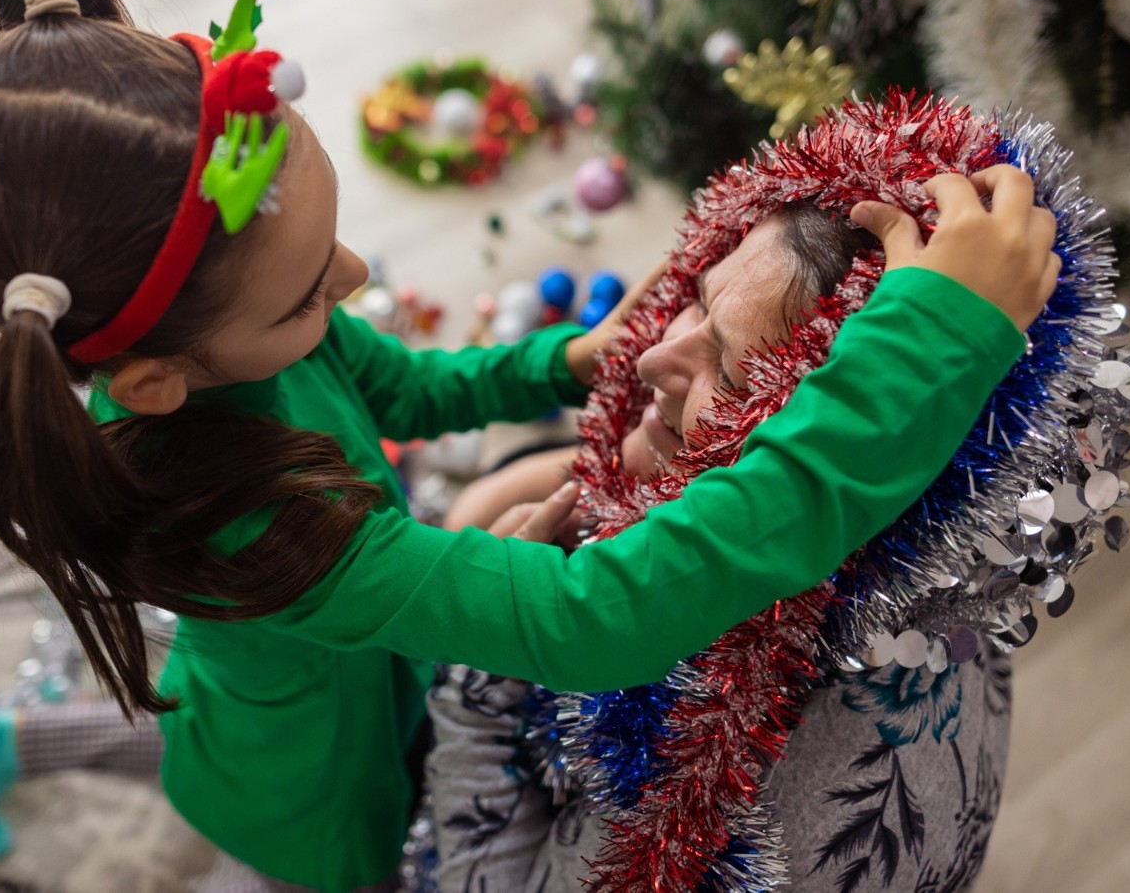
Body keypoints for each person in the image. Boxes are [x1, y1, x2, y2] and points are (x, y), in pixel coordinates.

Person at [0, 0, 1058, 888]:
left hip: (288, 688)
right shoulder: (255, 527)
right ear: (159, 381)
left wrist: (557, 361)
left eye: (333, 249)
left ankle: (3, 744)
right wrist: (926, 346)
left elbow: (405, 385)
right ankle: (31, 756)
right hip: (313, 810)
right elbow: (595, 618)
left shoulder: (227, 348)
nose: (355, 281)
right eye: (309, 293)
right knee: (240, 786)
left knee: (213, 720)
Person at [425, 206, 1016, 892]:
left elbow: (484, 879)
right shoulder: (937, 533)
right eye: (699, 302)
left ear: (806, 476)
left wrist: (480, 663)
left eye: (731, 374)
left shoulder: (709, 778)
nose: (650, 356)